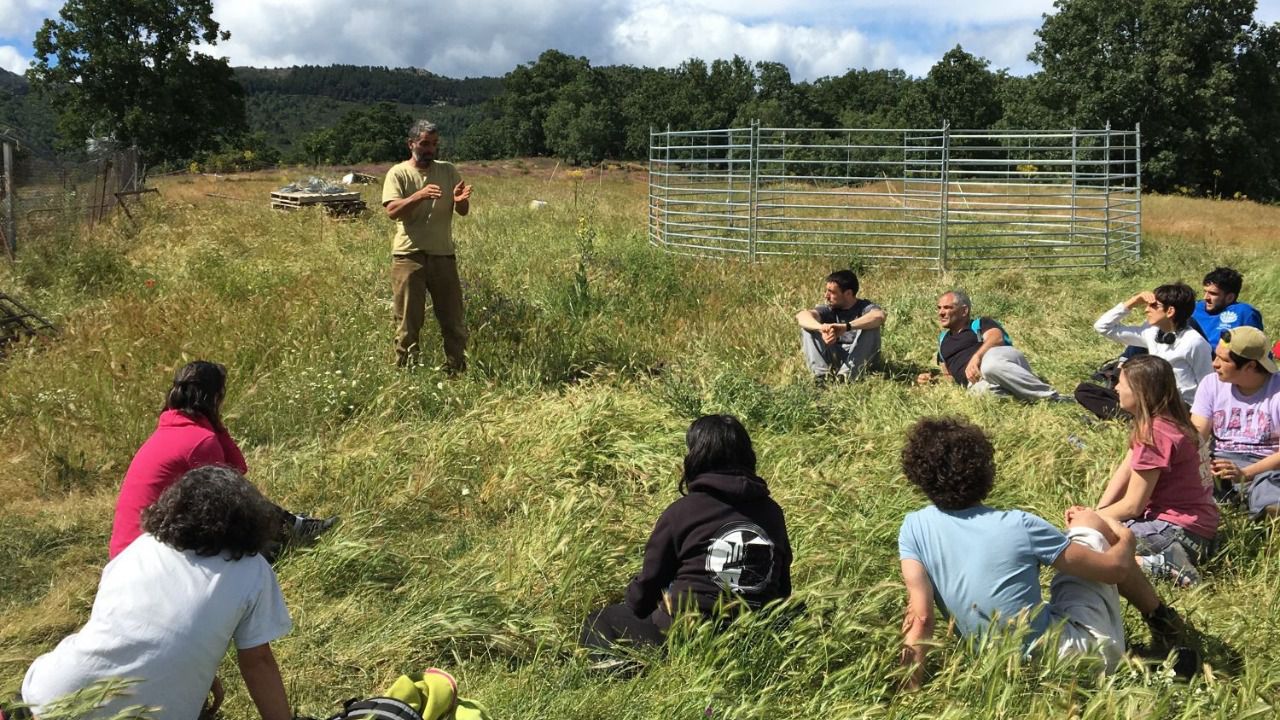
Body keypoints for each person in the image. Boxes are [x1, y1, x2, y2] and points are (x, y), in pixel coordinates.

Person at [897, 417, 1191, 688]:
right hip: (1075, 660)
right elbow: (1114, 569)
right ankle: (1164, 624)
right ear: (984, 470)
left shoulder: (913, 527)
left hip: (997, 668)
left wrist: (909, 693)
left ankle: (1155, 632)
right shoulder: (1018, 524)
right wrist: (1121, 536)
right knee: (1090, 523)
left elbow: (921, 617)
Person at [22, 466, 294, 720]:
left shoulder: (141, 547)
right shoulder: (251, 570)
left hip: (54, 697)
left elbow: (135, 630)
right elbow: (258, 662)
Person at [580, 415, 792, 655]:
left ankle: (614, 670)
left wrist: (632, 602)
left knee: (602, 620)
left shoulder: (682, 512)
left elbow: (647, 591)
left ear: (696, 457)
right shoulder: (773, 512)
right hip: (752, 635)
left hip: (686, 632)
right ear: (747, 455)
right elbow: (782, 588)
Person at [109, 361, 335, 560]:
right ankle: (294, 529)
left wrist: (214, 424)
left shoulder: (171, 429)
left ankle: (294, 527)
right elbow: (233, 491)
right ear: (215, 398)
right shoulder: (200, 441)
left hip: (129, 553)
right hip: (150, 557)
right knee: (243, 520)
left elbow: (236, 467)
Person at [1095, 356, 1218, 586]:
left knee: (1086, 544)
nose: (1116, 387)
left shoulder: (1155, 433)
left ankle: (1164, 566)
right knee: (1094, 527)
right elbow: (1127, 467)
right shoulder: (1172, 420)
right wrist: (1100, 511)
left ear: (1140, 391)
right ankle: (1165, 559)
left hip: (1174, 531)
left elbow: (1133, 505)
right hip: (1199, 532)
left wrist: (1094, 520)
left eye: (1121, 382)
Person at [382, 119, 473, 371]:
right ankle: (407, 373)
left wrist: (460, 201)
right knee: (408, 323)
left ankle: (456, 371)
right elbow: (392, 211)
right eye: (424, 143)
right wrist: (418, 195)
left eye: (434, 144)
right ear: (411, 144)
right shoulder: (398, 173)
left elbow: (462, 210)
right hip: (409, 256)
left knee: (453, 320)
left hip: (443, 255)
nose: (430, 149)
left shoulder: (448, 170)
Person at [1075, 283, 1213, 419]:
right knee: (1084, 391)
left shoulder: (1195, 343)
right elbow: (1103, 327)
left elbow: (1208, 385)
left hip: (1180, 407)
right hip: (1151, 399)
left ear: (1170, 311)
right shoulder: (1152, 333)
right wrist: (1134, 301)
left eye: (1153, 306)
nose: (1146, 310)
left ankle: (1143, 420)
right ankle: (1139, 418)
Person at [1189, 327, 1280, 518]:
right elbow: (1197, 433)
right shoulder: (1211, 384)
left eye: (1224, 360)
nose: (1215, 364)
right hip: (1221, 461)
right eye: (1216, 356)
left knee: (1269, 486)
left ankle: (1267, 512)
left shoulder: (1276, 391)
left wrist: (1246, 473)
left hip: (1265, 464)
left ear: (1250, 366)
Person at [915, 290, 1068, 402]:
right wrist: (933, 380)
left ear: (964, 311)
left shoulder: (980, 324)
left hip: (1001, 360)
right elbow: (949, 376)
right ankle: (1025, 395)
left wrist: (977, 357)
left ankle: (1053, 397)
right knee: (978, 395)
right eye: (939, 308)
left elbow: (997, 338)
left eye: (947, 308)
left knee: (990, 366)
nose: (941, 312)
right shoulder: (943, 341)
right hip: (978, 382)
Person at [795, 270, 886, 383]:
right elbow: (802, 316)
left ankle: (846, 377)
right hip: (835, 355)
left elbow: (879, 316)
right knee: (808, 328)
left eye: (831, 292)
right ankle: (822, 377)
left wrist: (846, 327)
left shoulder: (865, 307)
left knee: (872, 327)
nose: (826, 296)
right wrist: (820, 328)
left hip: (860, 358)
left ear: (848, 293)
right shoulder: (829, 309)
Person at [1190, 267, 1264, 347]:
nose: (1206, 297)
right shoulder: (1194, 308)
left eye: (1213, 293)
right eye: (1205, 291)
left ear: (1230, 297)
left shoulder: (1244, 313)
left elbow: (1258, 349)